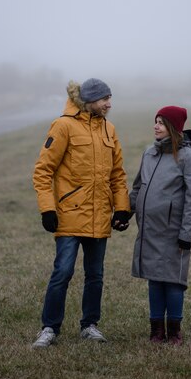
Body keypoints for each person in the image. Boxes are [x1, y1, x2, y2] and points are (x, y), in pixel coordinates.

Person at [32, 78, 131, 348]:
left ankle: (90, 325)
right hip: (69, 215)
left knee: (95, 275)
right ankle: (49, 328)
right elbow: (43, 171)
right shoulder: (63, 126)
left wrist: (122, 207)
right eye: (103, 99)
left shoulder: (109, 130)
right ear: (88, 101)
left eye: (110, 97)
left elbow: (117, 175)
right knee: (62, 272)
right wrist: (47, 208)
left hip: (99, 217)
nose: (109, 103)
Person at [130, 105, 191, 346]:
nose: (156, 126)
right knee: (154, 279)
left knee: (173, 281)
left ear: (173, 127)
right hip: (150, 229)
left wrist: (186, 234)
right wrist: (125, 212)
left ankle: (174, 331)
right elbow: (139, 187)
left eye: (161, 122)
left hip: (173, 233)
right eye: (155, 121)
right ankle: (156, 331)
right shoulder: (149, 153)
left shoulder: (189, 158)